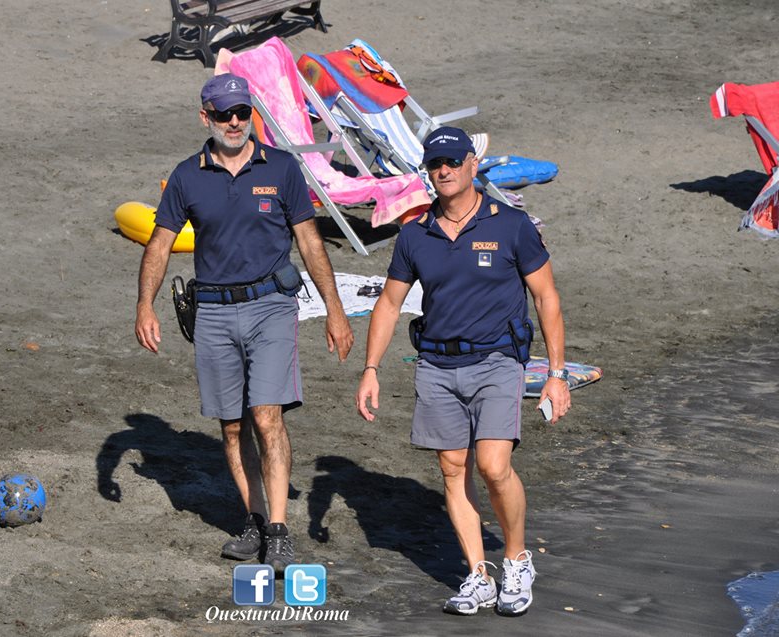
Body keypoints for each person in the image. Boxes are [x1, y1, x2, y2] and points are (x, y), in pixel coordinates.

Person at [135, 73, 353, 574]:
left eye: (242, 112)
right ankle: (253, 517)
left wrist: (335, 310)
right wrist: (145, 305)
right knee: (231, 426)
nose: (234, 122)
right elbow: (160, 244)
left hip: (272, 307)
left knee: (266, 416)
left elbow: (310, 241)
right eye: (223, 114)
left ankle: (278, 529)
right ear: (204, 117)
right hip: (212, 311)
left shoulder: (281, 168)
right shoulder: (187, 176)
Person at [355, 126, 570, 616]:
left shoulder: (511, 225)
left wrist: (556, 373)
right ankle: (477, 574)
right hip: (435, 364)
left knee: (494, 466)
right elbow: (389, 305)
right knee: (454, 471)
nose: (444, 171)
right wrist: (371, 369)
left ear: (473, 164)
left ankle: (516, 560)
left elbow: (546, 297)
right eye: (435, 164)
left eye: (452, 162)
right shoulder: (414, 234)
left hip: (498, 359)